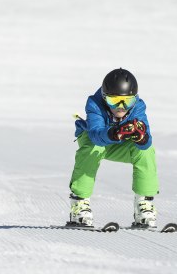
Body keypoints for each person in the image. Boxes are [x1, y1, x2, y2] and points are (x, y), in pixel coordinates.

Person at [68, 68, 159, 228]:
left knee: (146, 151)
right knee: (93, 148)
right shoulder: (94, 104)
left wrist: (142, 137)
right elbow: (95, 134)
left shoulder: (138, 107)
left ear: (135, 99)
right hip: (96, 140)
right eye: (114, 101)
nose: (121, 107)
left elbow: (147, 140)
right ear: (104, 98)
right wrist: (114, 133)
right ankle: (79, 204)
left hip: (119, 145)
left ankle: (144, 205)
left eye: (127, 101)